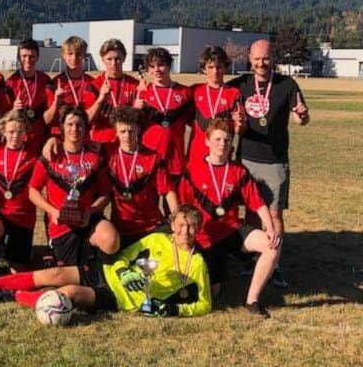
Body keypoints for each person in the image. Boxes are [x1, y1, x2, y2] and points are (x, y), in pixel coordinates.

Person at [0, 205, 211, 318]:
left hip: (120, 298)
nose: (185, 230)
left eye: (191, 226)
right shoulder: (158, 238)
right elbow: (125, 256)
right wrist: (124, 270)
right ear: (173, 224)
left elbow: (205, 304)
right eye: (181, 224)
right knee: (53, 275)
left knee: (66, 293)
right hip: (107, 272)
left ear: (198, 229)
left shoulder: (197, 263)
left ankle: (8, 296)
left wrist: (174, 309)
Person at [227, 39, 309, 288]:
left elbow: (300, 118)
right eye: (256, 59)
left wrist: (302, 115)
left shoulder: (287, 84)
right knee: (252, 212)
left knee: (273, 214)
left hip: (274, 161)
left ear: (273, 58)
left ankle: (274, 264)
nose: (261, 63)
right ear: (249, 59)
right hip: (247, 159)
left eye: (266, 58)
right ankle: (255, 257)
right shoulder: (239, 85)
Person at [179, 118, 281, 318]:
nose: (222, 144)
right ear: (206, 141)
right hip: (205, 238)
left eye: (226, 140)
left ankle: (252, 300)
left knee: (272, 246)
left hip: (231, 231)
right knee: (214, 293)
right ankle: (216, 277)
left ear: (231, 144)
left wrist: (270, 228)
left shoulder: (239, 171)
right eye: (217, 139)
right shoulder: (192, 169)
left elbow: (258, 203)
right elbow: (182, 210)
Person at [29, 106, 118, 267]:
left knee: (111, 240)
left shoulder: (95, 157)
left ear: (85, 128)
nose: (74, 129)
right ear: (62, 127)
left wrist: (90, 212)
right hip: (61, 224)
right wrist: (53, 211)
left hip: (88, 220)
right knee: (68, 275)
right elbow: (33, 191)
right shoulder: (51, 155)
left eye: (79, 125)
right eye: (70, 124)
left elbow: (105, 194)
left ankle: (103, 272)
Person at [104, 106, 178, 248]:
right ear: (116, 132)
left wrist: (177, 219)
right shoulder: (108, 154)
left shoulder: (153, 157)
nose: (127, 136)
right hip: (122, 229)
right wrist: (53, 141)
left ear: (138, 129)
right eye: (122, 131)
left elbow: (168, 191)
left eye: (131, 131)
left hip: (152, 226)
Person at [0, 110, 39, 275]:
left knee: (18, 271)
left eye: (20, 131)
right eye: (11, 132)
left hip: (24, 215)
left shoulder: (34, 154)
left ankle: (6, 251)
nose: (15, 136)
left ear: (26, 132)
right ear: (3, 131)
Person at [137, 47, 193, 184]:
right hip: (149, 157)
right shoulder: (142, 92)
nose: (156, 70)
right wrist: (135, 110)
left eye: (161, 65)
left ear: (169, 65)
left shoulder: (185, 92)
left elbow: (195, 123)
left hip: (175, 160)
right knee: (150, 204)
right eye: (152, 66)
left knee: (174, 204)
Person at [187, 46, 245, 164]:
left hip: (222, 156)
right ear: (203, 69)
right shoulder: (194, 90)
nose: (215, 71)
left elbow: (239, 130)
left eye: (219, 66)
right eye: (210, 67)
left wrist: (239, 123)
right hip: (196, 155)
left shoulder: (234, 93)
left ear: (225, 67)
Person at [86, 39, 141, 143]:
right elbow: (87, 120)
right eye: (109, 59)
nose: (113, 63)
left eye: (117, 59)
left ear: (124, 58)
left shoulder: (135, 85)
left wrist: (137, 110)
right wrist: (100, 100)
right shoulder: (94, 85)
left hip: (127, 144)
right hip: (101, 143)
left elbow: (141, 121)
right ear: (102, 59)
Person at [2, 39, 52, 151]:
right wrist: (13, 109)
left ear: (38, 57)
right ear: (19, 58)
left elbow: (50, 110)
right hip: (18, 140)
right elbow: (2, 117)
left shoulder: (45, 80)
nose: (28, 60)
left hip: (40, 138)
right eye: (24, 56)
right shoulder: (11, 83)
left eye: (31, 56)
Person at [44, 36, 95, 138]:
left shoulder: (94, 84)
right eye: (70, 54)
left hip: (85, 136)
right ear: (63, 55)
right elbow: (47, 121)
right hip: (60, 137)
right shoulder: (54, 84)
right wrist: (56, 102)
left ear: (85, 55)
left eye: (78, 54)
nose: (74, 58)